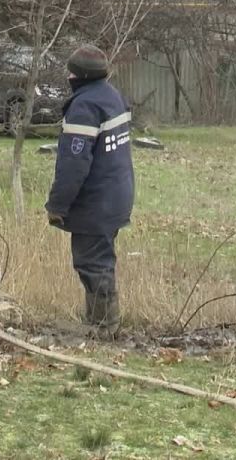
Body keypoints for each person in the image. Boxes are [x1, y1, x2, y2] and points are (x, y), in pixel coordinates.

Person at [45, 43, 135, 340]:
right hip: (117, 195)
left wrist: (57, 205)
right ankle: (101, 324)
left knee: (92, 264)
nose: (68, 75)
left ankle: (103, 329)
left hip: (96, 201)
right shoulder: (112, 96)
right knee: (101, 261)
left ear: (78, 76)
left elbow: (74, 164)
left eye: (71, 71)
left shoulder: (84, 107)